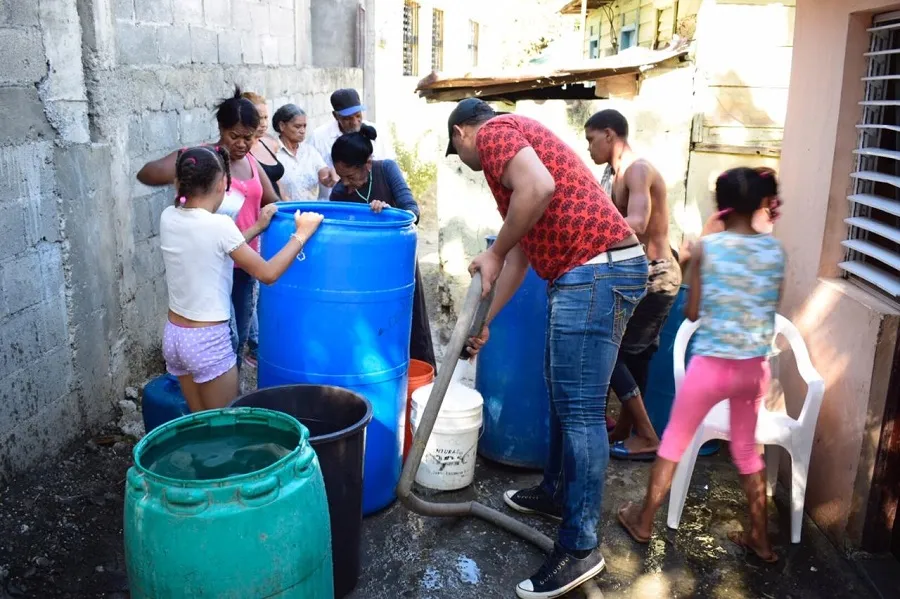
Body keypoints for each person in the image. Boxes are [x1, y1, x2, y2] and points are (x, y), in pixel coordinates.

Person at [450, 98, 648, 599]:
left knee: (580, 410)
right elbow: (516, 257)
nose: (466, 164)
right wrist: (486, 322)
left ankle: (580, 547)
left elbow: (539, 190)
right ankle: (559, 493)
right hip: (587, 271)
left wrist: (492, 251)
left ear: (461, 133)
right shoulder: (517, 162)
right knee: (564, 394)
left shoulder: (496, 133)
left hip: (595, 270)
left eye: (457, 151)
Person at [617, 167, 785, 564]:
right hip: (752, 368)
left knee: (673, 443)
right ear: (763, 202)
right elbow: (770, 307)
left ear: (723, 205)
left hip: (711, 366)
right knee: (747, 451)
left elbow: (691, 310)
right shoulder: (776, 252)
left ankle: (644, 522)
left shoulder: (711, 247)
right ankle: (761, 540)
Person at [160, 145, 323, 411]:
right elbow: (268, 274)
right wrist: (302, 234)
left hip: (176, 337)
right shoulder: (220, 226)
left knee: (197, 423)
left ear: (179, 182)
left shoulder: (169, 216)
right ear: (224, 183)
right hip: (206, 340)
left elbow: (215, 248)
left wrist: (258, 226)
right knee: (225, 426)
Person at [137, 86, 281, 364]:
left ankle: (232, 392)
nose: (241, 144)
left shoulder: (251, 162)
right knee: (226, 338)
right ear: (221, 129)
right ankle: (215, 391)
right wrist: (185, 163)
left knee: (238, 336)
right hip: (211, 265)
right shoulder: (206, 161)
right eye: (234, 136)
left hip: (244, 263)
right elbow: (147, 173)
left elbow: (273, 201)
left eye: (248, 138)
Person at [584, 109, 682, 460]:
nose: (589, 149)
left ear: (609, 135)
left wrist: (587, 234)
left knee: (610, 356)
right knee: (635, 357)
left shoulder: (638, 169)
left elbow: (637, 221)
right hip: (638, 275)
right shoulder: (610, 174)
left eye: (591, 140)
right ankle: (627, 430)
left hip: (656, 276)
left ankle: (648, 435)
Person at [329, 124, 436, 368]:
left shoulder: (386, 170)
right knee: (367, 330)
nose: (346, 183)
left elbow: (413, 211)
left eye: (351, 176)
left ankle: (418, 383)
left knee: (408, 323)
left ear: (367, 163)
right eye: (340, 176)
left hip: (397, 266)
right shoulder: (339, 193)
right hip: (361, 272)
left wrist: (391, 214)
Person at [309, 88, 395, 198]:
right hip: (334, 205)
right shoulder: (318, 137)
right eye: (347, 118)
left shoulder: (377, 132)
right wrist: (323, 176)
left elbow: (390, 168)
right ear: (336, 116)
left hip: (373, 205)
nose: (354, 122)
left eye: (358, 116)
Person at [273, 103, 338, 201]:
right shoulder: (274, 153)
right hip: (286, 212)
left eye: (304, 126)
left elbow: (324, 175)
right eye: (297, 126)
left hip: (311, 212)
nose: (302, 131)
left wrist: (330, 175)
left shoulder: (310, 151)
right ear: (282, 126)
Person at [242, 91, 286, 199]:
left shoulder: (270, 144)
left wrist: (286, 203)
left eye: (265, 117)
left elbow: (278, 183)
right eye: (258, 118)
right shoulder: (241, 149)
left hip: (277, 207)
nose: (263, 124)